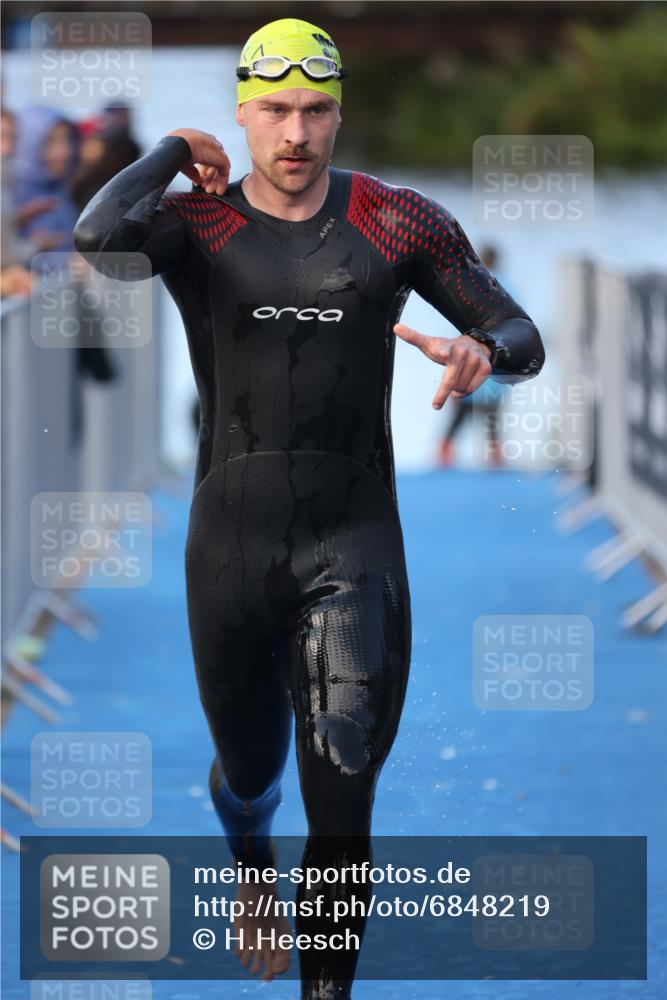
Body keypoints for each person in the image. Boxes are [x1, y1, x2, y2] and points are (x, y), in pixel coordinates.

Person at [73, 17, 545, 999]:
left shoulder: (394, 219)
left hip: (353, 542)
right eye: (276, 110)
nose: (296, 133)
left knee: (343, 780)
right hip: (228, 553)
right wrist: (168, 150)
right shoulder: (192, 221)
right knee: (249, 775)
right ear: (243, 115)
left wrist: (481, 351)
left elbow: (519, 329)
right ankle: (251, 867)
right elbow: (95, 236)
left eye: (317, 109)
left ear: (338, 115)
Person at [436, 244, 512, 467]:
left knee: (458, 419)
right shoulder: (509, 288)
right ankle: (496, 465)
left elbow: (460, 332)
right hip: (494, 373)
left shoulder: (469, 287)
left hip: (469, 369)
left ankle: (442, 462)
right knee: (493, 422)